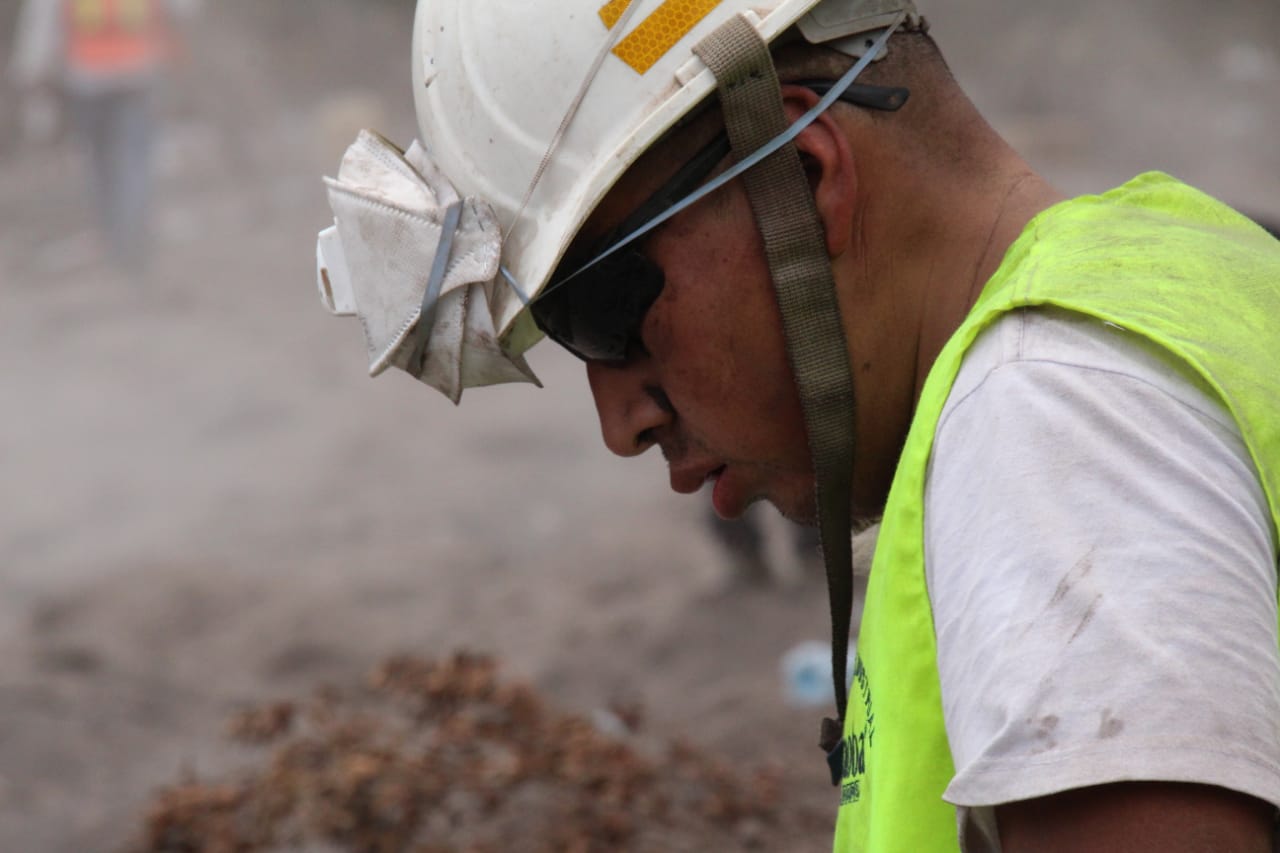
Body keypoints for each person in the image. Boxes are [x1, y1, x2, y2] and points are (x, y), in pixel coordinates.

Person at [315, 1, 1280, 849]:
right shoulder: (1183, 277)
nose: (619, 422)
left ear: (806, 181)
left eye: (601, 311)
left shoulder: (1048, 424)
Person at [7, 0, 192, 271]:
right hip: (136, 73)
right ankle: (132, 237)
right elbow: (183, 9)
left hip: (88, 79)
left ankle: (117, 237)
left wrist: (31, 72)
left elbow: (42, 25)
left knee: (101, 163)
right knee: (134, 160)